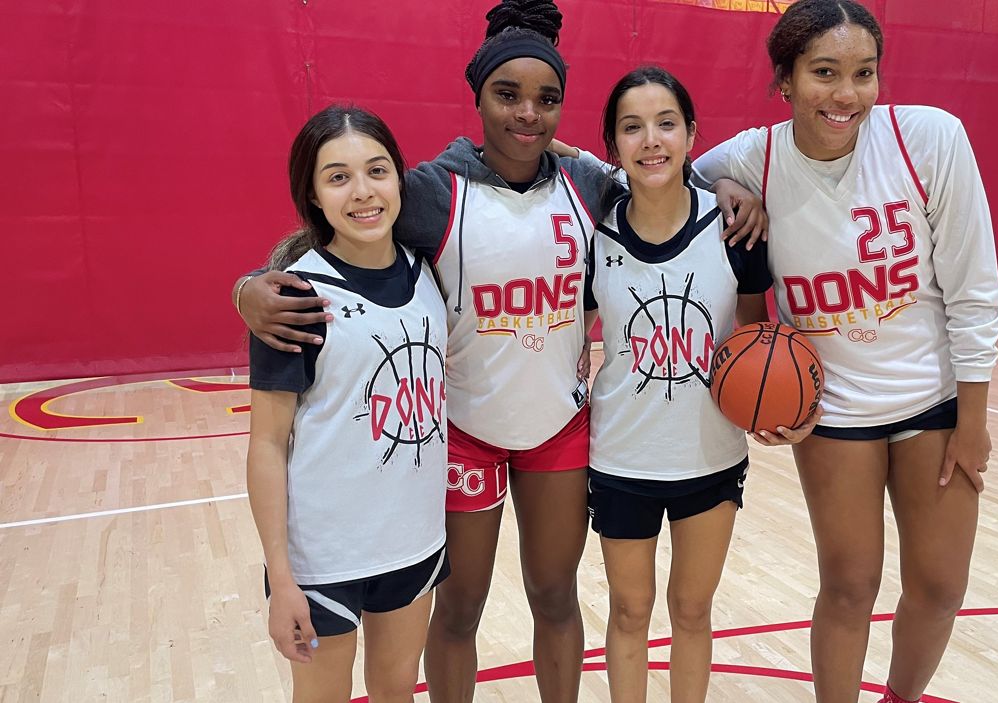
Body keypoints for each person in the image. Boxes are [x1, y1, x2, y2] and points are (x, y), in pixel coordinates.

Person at [233, 3, 765, 701]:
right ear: (478, 97)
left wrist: (723, 184)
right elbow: (347, 229)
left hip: (558, 428)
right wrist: (251, 286)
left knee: (555, 595)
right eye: (507, 95)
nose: (527, 113)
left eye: (546, 98)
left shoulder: (586, 187)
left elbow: (658, 180)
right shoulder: (433, 192)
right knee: (459, 607)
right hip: (467, 433)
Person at [691, 2, 998, 701]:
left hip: (935, 400)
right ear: (785, 79)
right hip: (832, 410)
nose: (846, 94)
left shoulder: (929, 139)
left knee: (941, 586)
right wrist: (722, 185)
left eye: (864, 73)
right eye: (825, 73)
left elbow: (974, 290)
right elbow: (651, 173)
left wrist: (974, 421)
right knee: (849, 584)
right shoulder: (753, 156)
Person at [580, 66, 802, 703]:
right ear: (613, 145)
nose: (651, 140)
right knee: (628, 612)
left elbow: (756, 345)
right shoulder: (593, 235)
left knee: (692, 610)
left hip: (710, 456)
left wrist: (780, 409)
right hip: (621, 457)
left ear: (691, 133)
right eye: (632, 127)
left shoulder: (736, 230)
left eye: (666, 123)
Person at [246, 104, 450, 703]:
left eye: (376, 171)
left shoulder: (428, 271)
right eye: (338, 177)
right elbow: (266, 444)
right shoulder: (295, 297)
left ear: (399, 179)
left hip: (413, 540)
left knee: (397, 690)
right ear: (312, 194)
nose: (362, 192)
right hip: (324, 557)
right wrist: (281, 577)